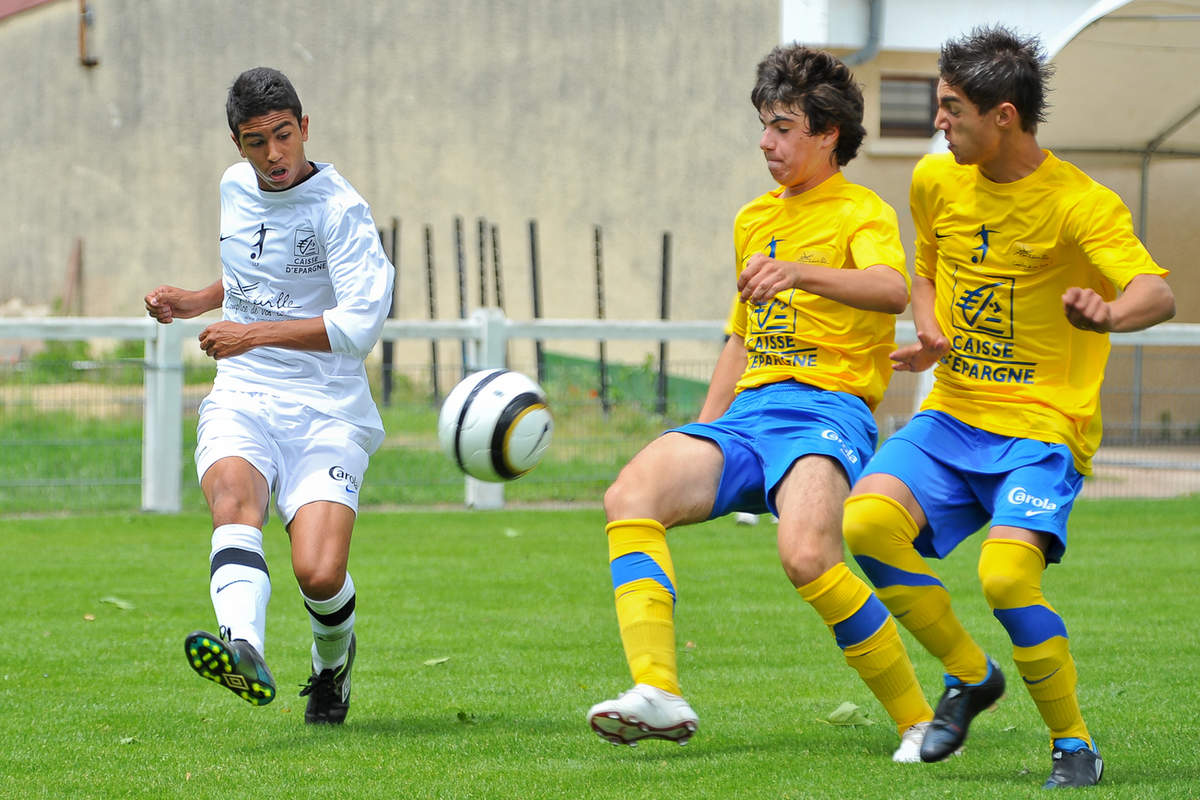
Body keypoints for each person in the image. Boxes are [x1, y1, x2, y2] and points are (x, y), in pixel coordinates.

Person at [842, 26, 1175, 788]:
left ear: (1003, 116)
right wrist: (928, 323)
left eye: (952, 109)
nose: (938, 122)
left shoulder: (1079, 204)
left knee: (1006, 582)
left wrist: (1110, 315)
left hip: (1040, 429)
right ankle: (971, 676)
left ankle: (1073, 744)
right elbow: (926, 270)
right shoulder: (936, 182)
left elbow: (1156, 290)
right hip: (953, 414)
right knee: (864, 522)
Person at [587, 44, 936, 761]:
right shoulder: (753, 219)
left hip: (827, 411)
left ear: (826, 133)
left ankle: (921, 723)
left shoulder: (860, 211)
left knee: (807, 555)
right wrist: (706, 434)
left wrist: (799, 272)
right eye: (764, 124)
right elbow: (740, 336)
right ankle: (657, 692)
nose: (765, 141)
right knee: (631, 492)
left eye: (781, 126)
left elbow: (892, 289)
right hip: (748, 417)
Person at [144, 67, 395, 725]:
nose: (274, 155)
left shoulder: (340, 211)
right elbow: (250, 277)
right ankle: (243, 647)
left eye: (284, 136)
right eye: (257, 142)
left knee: (317, 572)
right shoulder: (234, 187)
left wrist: (252, 335)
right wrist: (196, 300)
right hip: (245, 395)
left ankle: (332, 664)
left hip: (327, 411)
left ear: (305, 128)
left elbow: (359, 326)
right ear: (237, 143)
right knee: (233, 499)